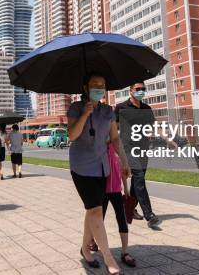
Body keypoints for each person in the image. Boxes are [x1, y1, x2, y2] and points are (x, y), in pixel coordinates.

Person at [68, 72, 130, 275]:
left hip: (102, 166)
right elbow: (72, 135)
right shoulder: (76, 108)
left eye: (102, 85)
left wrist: (124, 160)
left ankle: (85, 249)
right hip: (81, 167)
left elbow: (115, 138)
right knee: (95, 210)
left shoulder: (108, 111)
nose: (99, 88)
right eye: (94, 84)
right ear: (85, 88)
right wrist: (85, 114)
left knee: (91, 209)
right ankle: (108, 257)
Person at [115, 82, 160, 228]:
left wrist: (163, 137)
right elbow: (113, 128)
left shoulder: (147, 108)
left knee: (137, 181)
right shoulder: (121, 107)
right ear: (131, 91)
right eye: (137, 89)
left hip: (143, 148)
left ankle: (129, 208)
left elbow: (153, 127)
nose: (140, 91)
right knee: (139, 177)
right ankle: (149, 214)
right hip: (127, 149)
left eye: (143, 89)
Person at [89, 140, 136, 268]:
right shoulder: (99, 147)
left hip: (116, 191)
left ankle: (125, 252)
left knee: (122, 218)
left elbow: (123, 171)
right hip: (102, 191)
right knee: (99, 218)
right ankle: (93, 241)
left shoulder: (118, 148)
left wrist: (125, 189)